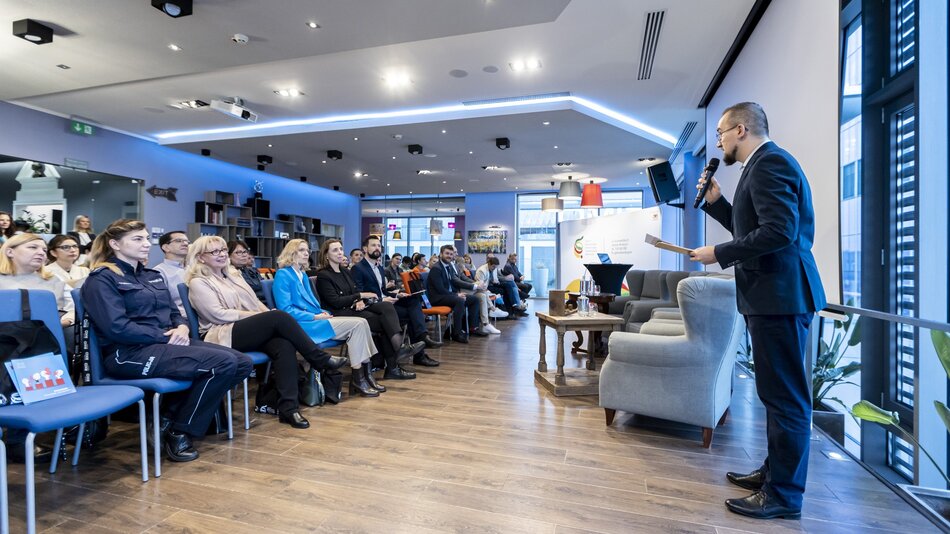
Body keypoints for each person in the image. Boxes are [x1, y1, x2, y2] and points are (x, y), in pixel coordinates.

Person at [690, 102, 825, 520]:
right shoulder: (759, 166)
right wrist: (716, 203)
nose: (719, 143)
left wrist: (719, 253)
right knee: (775, 395)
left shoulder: (770, 164)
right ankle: (774, 474)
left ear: (741, 129)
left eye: (721, 134)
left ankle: (784, 494)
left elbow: (780, 232)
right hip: (771, 297)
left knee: (785, 399)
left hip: (781, 297)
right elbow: (753, 229)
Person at [80, 219, 253, 462]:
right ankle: (179, 431)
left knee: (242, 362)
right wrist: (166, 335)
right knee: (221, 363)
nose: (145, 243)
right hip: (128, 353)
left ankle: (167, 417)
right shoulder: (102, 279)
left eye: (146, 237)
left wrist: (181, 326)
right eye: (137, 239)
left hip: (165, 344)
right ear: (115, 244)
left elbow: (174, 312)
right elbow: (116, 327)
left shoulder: (152, 276)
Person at [185, 236, 348, 429]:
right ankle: (319, 359)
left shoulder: (233, 275)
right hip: (220, 334)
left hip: (244, 327)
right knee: (279, 316)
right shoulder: (198, 282)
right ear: (201, 257)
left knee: (283, 344)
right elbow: (218, 315)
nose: (221, 254)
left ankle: (289, 409)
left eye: (222, 250)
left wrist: (264, 314)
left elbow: (255, 302)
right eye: (214, 252)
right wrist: (260, 317)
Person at [272, 239, 383, 397]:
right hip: (301, 325)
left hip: (315, 319)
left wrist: (322, 312)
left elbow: (313, 305)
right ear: (291, 253)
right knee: (359, 324)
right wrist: (315, 316)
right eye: (302, 250)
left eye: (307, 250)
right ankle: (359, 379)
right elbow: (285, 310)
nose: (307, 253)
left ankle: (363, 376)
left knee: (363, 322)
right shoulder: (283, 275)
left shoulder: (301, 275)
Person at [315, 239, 425, 380]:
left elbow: (353, 291)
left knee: (386, 312)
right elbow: (335, 302)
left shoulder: (345, 271)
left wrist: (359, 300)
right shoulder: (324, 275)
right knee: (386, 321)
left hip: (352, 308)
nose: (340, 252)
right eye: (335, 250)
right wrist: (359, 296)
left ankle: (395, 359)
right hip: (338, 314)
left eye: (341, 249)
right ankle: (395, 359)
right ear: (326, 255)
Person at [351, 235, 442, 364]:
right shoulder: (358, 268)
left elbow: (382, 291)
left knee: (413, 299)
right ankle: (420, 350)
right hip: (372, 307)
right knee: (413, 316)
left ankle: (422, 338)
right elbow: (359, 293)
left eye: (378, 245)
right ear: (365, 249)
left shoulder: (379, 268)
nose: (377, 248)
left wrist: (397, 294)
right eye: (373, 245)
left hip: (385, 303)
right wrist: (383, 300)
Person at [425, 244, 486, 343]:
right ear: (441, 254)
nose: (449, 256)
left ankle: (472, 328)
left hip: (447, 295)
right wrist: (456, 295)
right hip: (437, 298)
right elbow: (440, 289)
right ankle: (456, 333)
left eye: (451, 254)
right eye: (447, 253)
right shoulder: (437, 268)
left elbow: (453, 282)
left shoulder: (448, 265)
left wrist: (458, 293)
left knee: (474, 299)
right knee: (459, 300)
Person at [152, 231, 190, 316]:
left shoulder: (192, 269)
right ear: (166, 247)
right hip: (182, 318)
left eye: (187, 241)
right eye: (179, 241)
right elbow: (164, 304)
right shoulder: (158, 272)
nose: (185, 244)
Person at [228, 239, 267, 306]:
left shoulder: (253, 270)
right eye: (239, 252)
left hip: (264, 303)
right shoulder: (229, 274)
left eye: (245, 252)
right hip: (251, 306)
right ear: (228, 255)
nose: (244, 255)